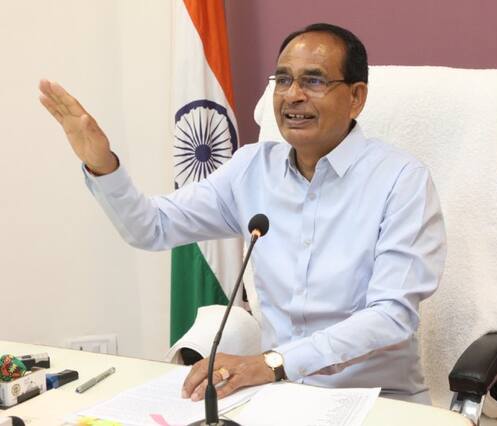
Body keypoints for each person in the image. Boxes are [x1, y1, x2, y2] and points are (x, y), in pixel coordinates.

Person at [39, 23, 446, 404]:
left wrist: (273, 364)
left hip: (376, 399)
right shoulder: (251, 169)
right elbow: (151, 228)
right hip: (279, 398)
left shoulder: (401, 180)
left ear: (356, 97)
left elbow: (390, 316)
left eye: (314, 81)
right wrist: (102, 165)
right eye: (283, 79)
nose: (292, 95)